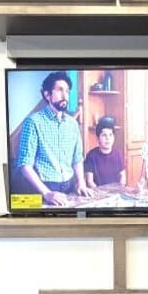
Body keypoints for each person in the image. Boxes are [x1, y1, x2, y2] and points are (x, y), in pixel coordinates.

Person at [16, 71, 94, 206]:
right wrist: (46, 193)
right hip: (44, 189)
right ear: (47, 95)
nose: (65, 95)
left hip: (70, 188)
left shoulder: (72, 124)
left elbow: (77, 158)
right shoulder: (33, 122)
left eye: (67, 91)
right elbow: (25, 165)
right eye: (60, 90)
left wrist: (81, 183)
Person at [84, 116, 126, 188]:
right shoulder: (91, 156)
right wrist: (100, 192)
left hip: (116, 192)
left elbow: (123, 176)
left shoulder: (118, 154)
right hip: (98, 192)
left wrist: (120, 189)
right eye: (104, 135)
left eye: (110, 135)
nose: (108, 138)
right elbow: (90, 181)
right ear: (98, 138)